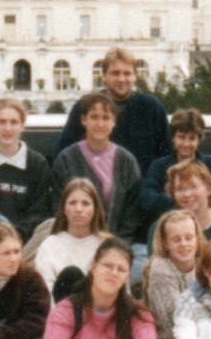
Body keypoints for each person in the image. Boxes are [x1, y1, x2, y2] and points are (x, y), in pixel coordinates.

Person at [50, 91, 144, 244]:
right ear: (83, 120)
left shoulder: (126, 161)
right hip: (73, 242)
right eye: (94, 117)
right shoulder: (66, 159)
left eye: (106, 118)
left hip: (116, 244)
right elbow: (57, 207)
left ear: (114, 121)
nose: (100, 124)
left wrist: (116, 245)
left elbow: (132, 214)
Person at [55, 46, 172, 168]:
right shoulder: (85, 106)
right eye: (115, 73)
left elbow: (166, 155)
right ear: (104, 75)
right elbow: (64, 152)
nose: (121, 79)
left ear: (135, 76)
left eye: (127, 73)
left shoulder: (152, 107)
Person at [134, 108, 211, 242]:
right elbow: (146, 198)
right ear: (173, 139)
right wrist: (182, 204)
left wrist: (200, 207)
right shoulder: (159, 166)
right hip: (170, 232)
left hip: (207, 232)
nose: (186, 144)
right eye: (181, 137)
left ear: (199, 140)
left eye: (192, 138)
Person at [0, 98, 54, 238]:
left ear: (22, 126)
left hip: (26, 243)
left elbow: (40, 212)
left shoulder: (38, 164)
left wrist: (15, 235)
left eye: (14, 122)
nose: (8, 128)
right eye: (1, 122)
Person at [143, 210, 202, 339]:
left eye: (189, 237)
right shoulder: (161, 268)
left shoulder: (205, 262)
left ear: (197, 239)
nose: (184, 244)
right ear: (166, 244)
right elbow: (175, 322)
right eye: (176, 239)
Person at [22, 179, 110, 297]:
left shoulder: (107, 247)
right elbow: (45, 291)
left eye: (85, 203)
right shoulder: (49, 245)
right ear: (64, 208)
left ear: (95, 209)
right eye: (72, 203)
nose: (78, 209)